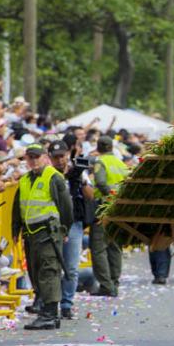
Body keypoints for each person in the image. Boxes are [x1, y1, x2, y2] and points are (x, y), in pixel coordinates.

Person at [12, 144, 73, 330]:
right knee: (36, 272)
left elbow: (66, 207)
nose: (33, 161)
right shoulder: (24, 180)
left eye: (36, 157)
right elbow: (18, 207)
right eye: (29, 158)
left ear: (45, 157)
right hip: (31, 234)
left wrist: (64, 230)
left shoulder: (54, 178)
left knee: (49, 271)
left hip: (48, 233)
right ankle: (47, 311)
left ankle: (50, 314)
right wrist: (16, 230)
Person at [48, 140, 93, 319]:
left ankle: (67, 304)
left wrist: (81, 178)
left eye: (62, 156)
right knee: (52, 266)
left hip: (74, 223)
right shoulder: (48, 174)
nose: (60, 161)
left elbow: (90, 196)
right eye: (56, 157)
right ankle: (50, 303)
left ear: (68, 154)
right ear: (50, 158)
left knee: (71, 267)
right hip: (52, 224)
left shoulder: (77, 172)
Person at [90, 136, 128, 297]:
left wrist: (110, 199)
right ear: (111, 147)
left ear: (98, 147)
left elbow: (100, 182)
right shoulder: (121, 164)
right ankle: (115, 283)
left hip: (104, 207)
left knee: (99, 248)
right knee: (115, 246)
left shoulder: (100, 162)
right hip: (120, 209)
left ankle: (106, 285)